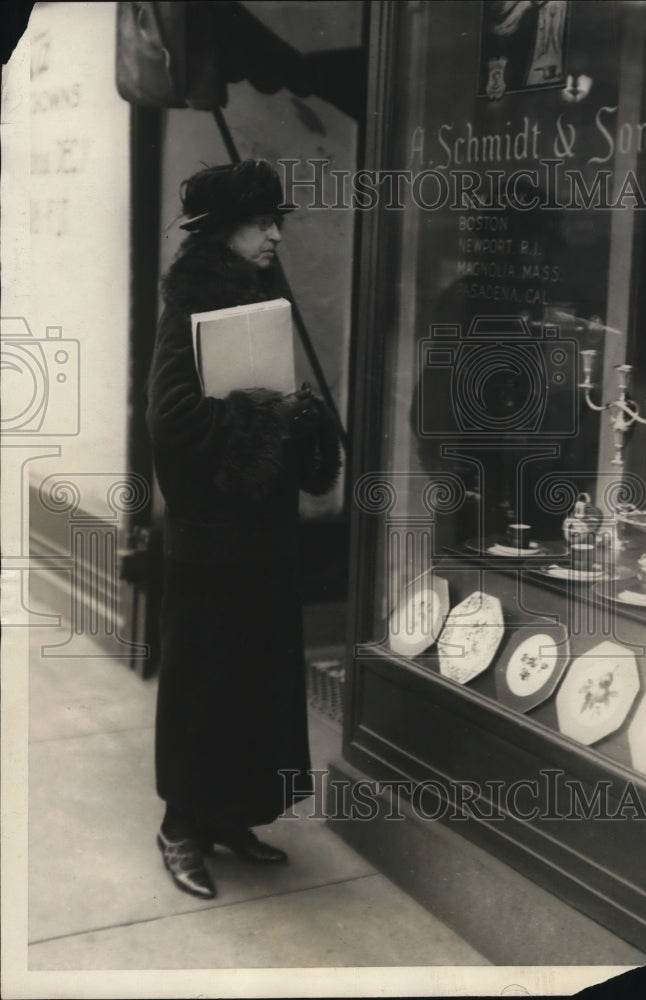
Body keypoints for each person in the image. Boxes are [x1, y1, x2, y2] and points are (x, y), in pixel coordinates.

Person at [146, 159, 341, 900]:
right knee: (204, 681)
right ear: (226, 229)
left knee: (254, 676)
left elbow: (264, 399)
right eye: (263, 224)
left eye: (277, 222)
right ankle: (179, 829)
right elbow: (169, 420)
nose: (275, 235)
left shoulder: (258, 292)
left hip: (258, 529)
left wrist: (301, 416)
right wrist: (264, 415)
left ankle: (231, 817)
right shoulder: (192, 299)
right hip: (209, 534)